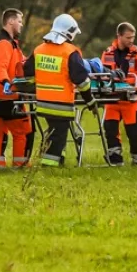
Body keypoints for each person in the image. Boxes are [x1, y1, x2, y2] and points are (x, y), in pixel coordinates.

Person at [21, 14, 93, 167]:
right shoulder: (71, 52)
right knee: (59, 135)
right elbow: (82, 81)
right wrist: (90, 100)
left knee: (55, 131)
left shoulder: (39, 49)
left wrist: (38, 85)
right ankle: (49, 165)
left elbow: (28, 73)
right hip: (61, 105)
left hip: (43, 103)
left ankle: (58, 160)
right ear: (69, 32)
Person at [0, 8, 32, 169]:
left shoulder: (8, 42)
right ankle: (20, 163)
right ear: (11, 21)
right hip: (8, 96)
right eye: (19, 21)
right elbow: (1, 67)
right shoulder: (5, 43)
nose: (21, 25)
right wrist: (6, 82)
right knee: (22, 131)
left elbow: (20, 62)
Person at [101, 22, 137, 166]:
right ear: (119, 36)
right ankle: (115, 160)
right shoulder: (107, 53)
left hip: (130, 100)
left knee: (134, 132)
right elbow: (101, 74)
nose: (131, 40)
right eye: (128, 37)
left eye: (133, 37)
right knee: (110, 131)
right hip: (112, 100)